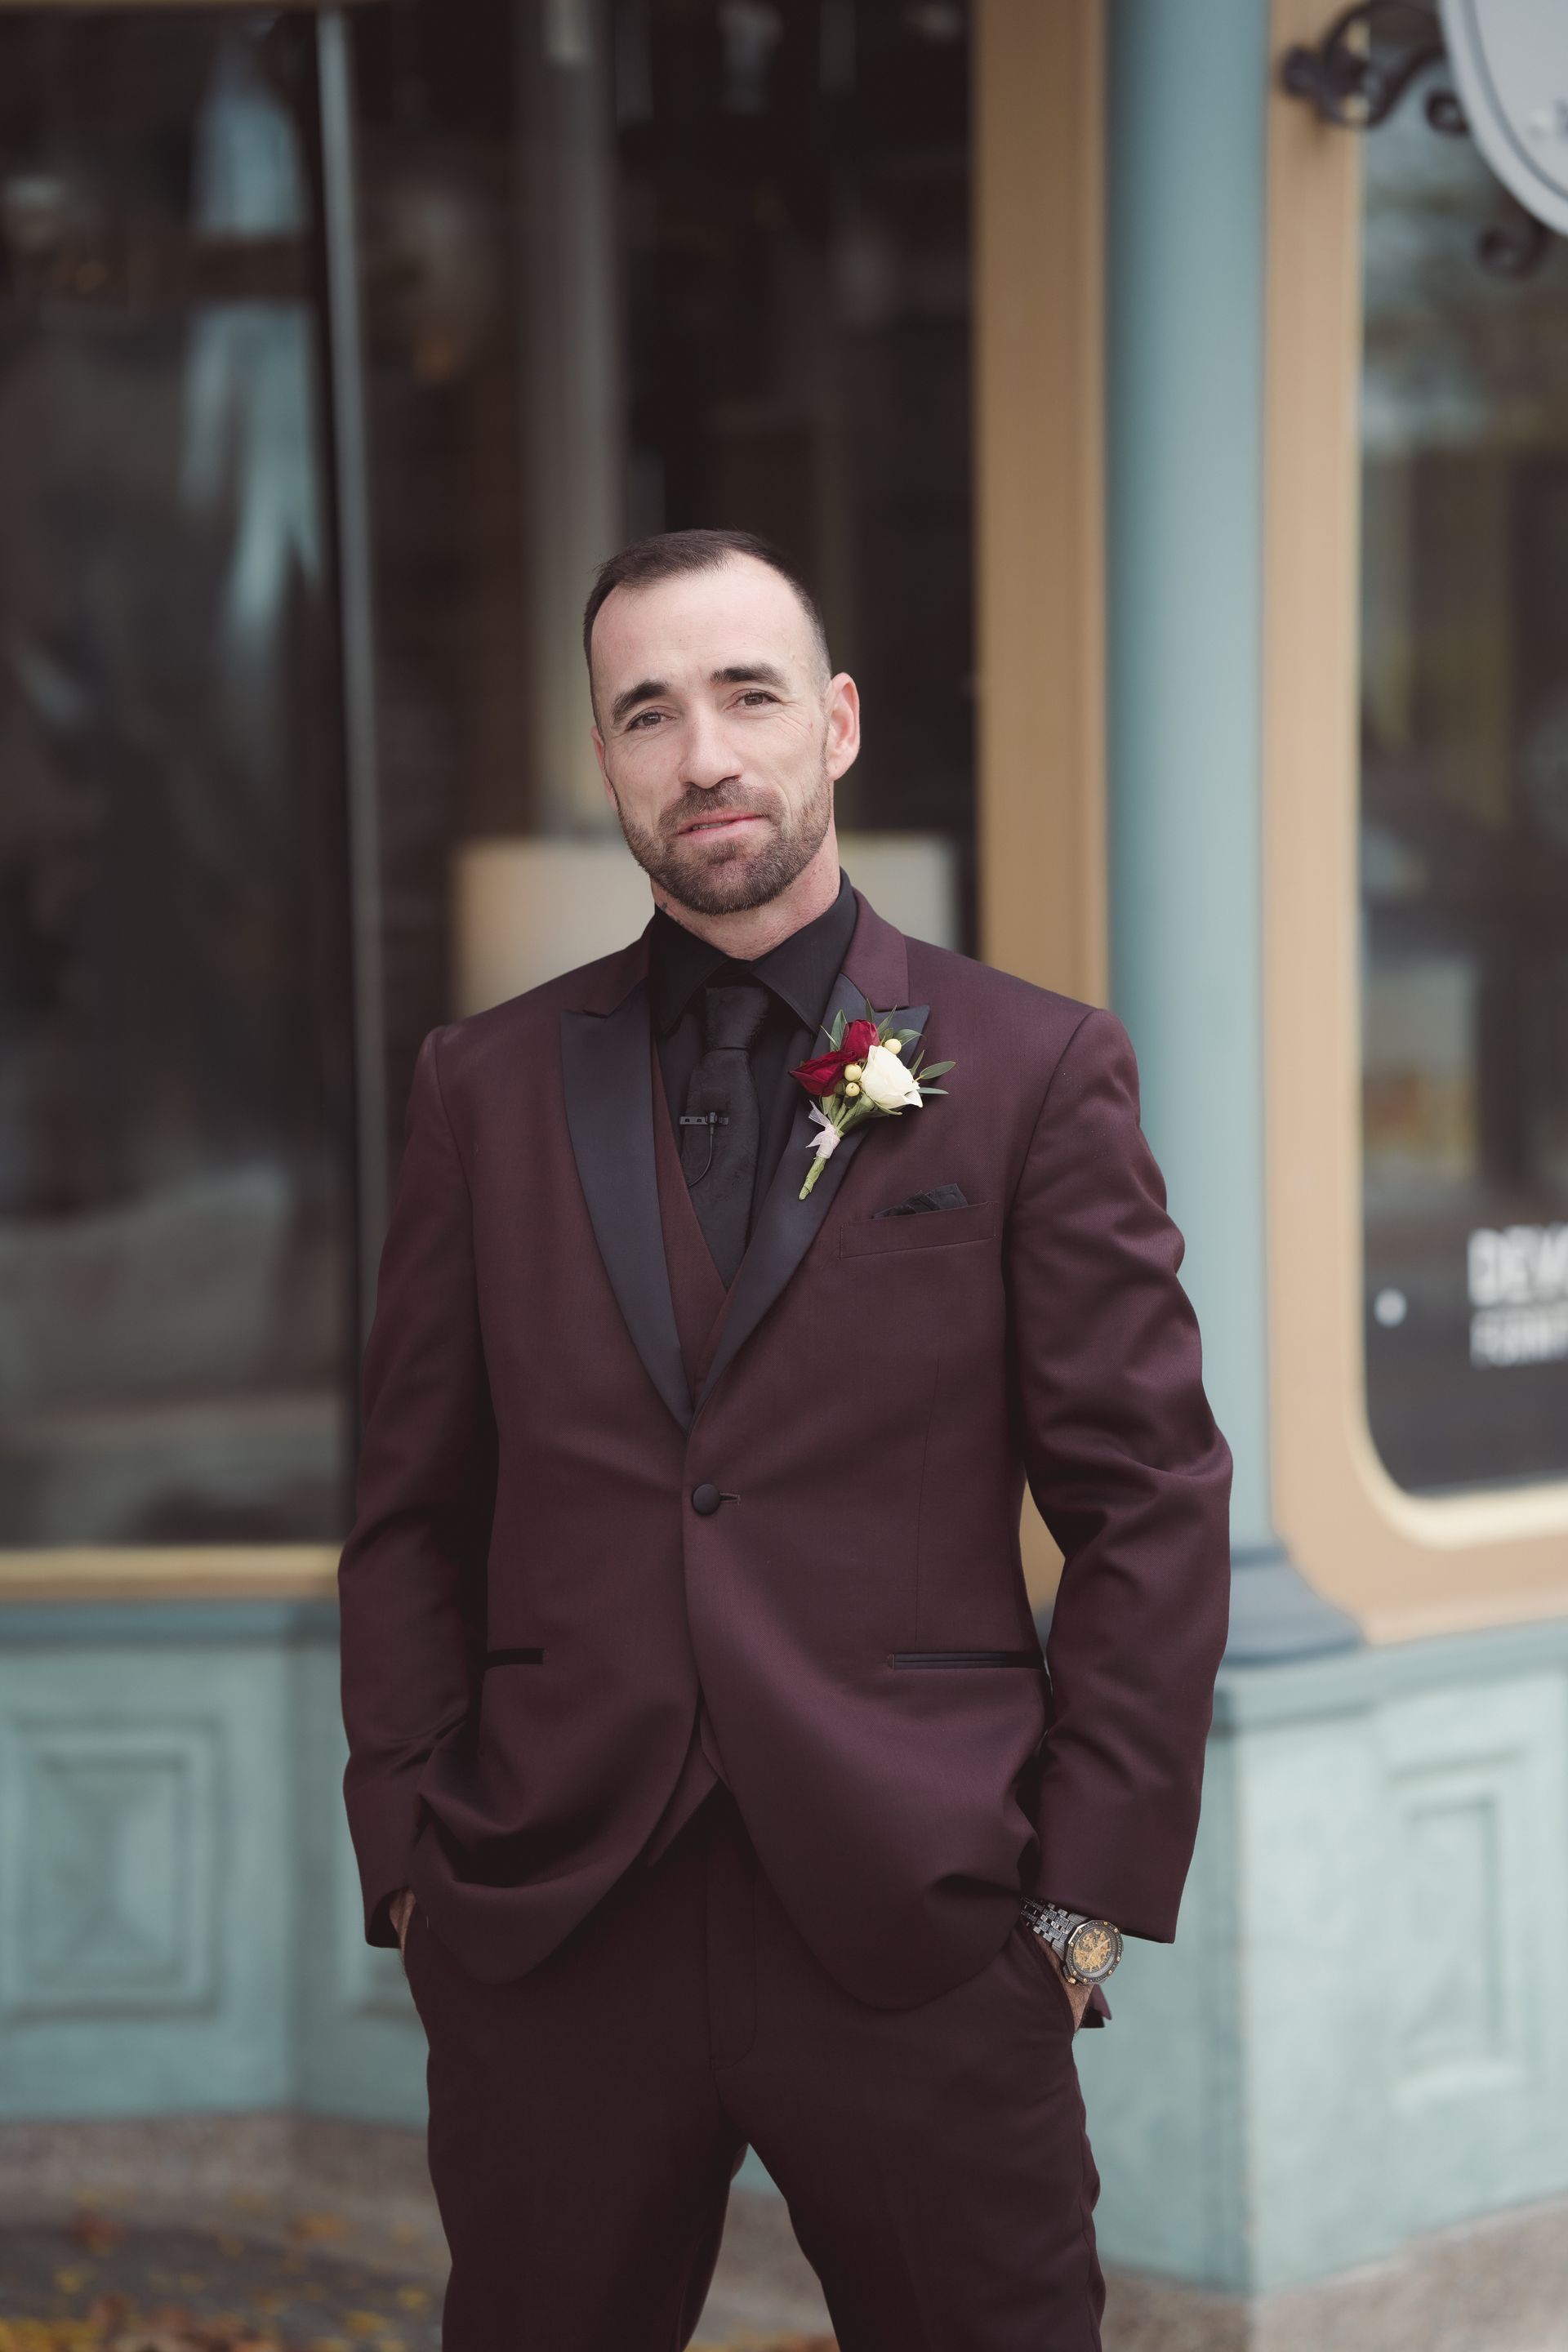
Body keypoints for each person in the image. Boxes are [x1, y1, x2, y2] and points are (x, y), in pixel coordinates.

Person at [338, 528, 1232, 2351]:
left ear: (833, 724)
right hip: (556, 1928)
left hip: (926, 1923)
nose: (703, 754)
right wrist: (418, 1868)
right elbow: (412, 1511)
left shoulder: (1036, 1066)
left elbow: (1150, 1501)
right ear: (608, 763)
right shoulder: (482, 1089)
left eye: (746, 694)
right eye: (646, 713)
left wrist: (1079, 1905)